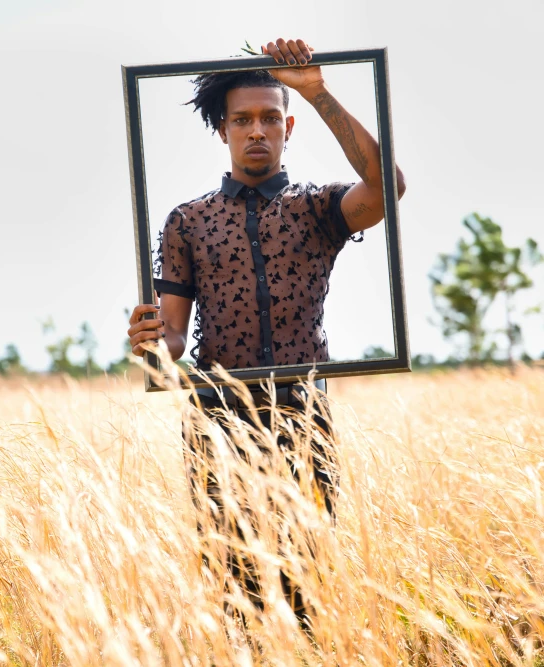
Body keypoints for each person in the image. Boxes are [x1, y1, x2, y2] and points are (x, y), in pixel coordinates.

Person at [128, 37, 406, 627]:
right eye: (243, 120)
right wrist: (152, 342)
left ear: (289, 127)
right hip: (217, 417)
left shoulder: (319, 208)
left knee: (304, 574)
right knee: (233, 577)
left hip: (303, 415)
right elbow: (174, 337)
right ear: (223, 130)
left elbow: (389, 187)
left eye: (270, 118)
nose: (257, 130)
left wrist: (317, 90)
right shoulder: (189, 220)